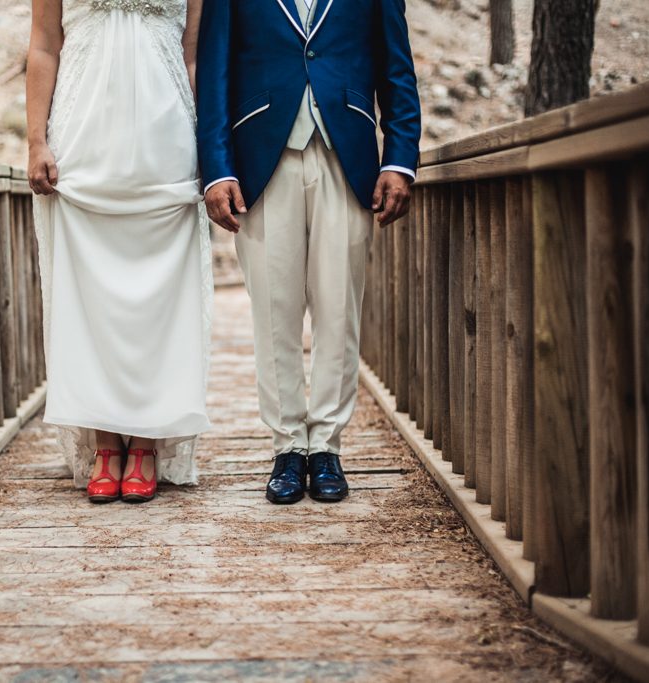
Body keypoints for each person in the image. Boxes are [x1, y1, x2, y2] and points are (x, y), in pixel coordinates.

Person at [197, 0, 420, 504]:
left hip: (349, 157)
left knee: (339, 307)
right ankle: (288, 447)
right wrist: (216, 167)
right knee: (274, 310)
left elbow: (397, 69)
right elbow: (213, 75)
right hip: (260, 159)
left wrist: (401, 159)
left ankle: (326, 446)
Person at [26, 0, 212, 503]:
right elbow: (44, 46)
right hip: (83, 143)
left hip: (166, 144)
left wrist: (211, 151)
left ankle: (148, 442)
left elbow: (193, 54)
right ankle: (106, 443)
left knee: (161, 301)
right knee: (91, 298)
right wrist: (36, 140)